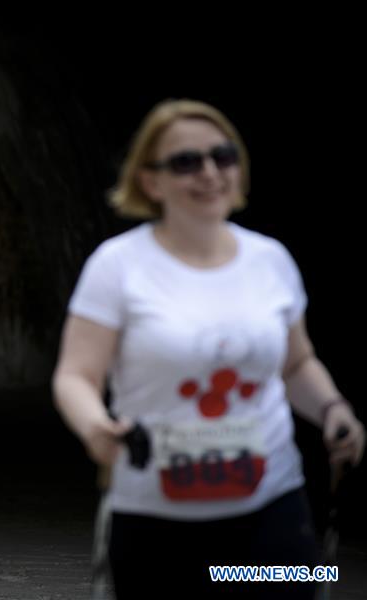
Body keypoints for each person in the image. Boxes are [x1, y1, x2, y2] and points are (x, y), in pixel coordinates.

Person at [52, 99, 365, 599]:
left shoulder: (271, 261)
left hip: (273, 510)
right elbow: (76, 376)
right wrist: (95, 427)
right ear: (150, 181)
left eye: (223, 156)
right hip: (155, 517)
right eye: (185, 162)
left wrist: (332, 409)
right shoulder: (117, 266)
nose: (210, 172)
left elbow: (297, 362)